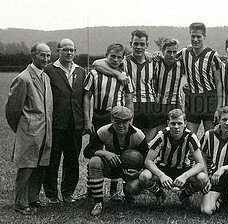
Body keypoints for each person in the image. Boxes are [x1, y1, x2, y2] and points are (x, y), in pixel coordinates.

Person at [5, 43, 53, 214]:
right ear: (33, 56)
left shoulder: (46, 77)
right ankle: (20, 203)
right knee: (26, 167)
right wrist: (22, 127)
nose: (46, 59)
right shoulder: (23, 78)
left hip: (45, 131)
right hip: (29, 132)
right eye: (42, 55)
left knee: (40, 165)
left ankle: (33, 198)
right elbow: (12, 109)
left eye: (48, 55)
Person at [83, 43, 135, 199]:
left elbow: (129, 100)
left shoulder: (125, 77)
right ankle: (91, 190)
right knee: (94, 153)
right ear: (106, 55)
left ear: (122, 59)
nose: (116, 60)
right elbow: (86, 97)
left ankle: (115, 190)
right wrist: (87, 121)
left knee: (118, 153)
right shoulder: (94, 74)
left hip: (117, 120)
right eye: (113, 56)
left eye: (119, 57)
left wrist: (129, 122)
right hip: (99, 116)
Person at [93, 30, 158, 143]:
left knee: (147, 142)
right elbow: (96, 63)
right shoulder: (123, 60)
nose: (138, 47)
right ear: (130, 44)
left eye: (142, 44)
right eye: (135, 44)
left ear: (147, 45)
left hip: (149, 105)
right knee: (129, 140)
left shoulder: (153, 61)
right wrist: (117, 74)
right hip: (130, 104)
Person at [43, 38, 86, 204]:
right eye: (65, 49)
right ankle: (52, 195)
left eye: (72, 50)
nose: (69, 53)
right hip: (55, 123)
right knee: (52, 160)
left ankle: (68, 193)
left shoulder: (81, 71)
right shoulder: (49, 70)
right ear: (58, 51)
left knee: (72, 160)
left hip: (75, 123)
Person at [83, 106, 148, 216]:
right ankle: (98, 202)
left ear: (130, 121)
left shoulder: (138, 135)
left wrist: (138, 172)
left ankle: (128, 191)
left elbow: (148, 159)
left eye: (124, 122)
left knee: (134, 188)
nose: (121, 126)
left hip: (129, 171)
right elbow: (87, 151)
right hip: (111, 166)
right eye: (117, 122)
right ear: (112, 120)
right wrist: (105, 153)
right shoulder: (103, 131)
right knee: (94, 161)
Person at [139, 109, 208, 208]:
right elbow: (148, 161)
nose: (176, 127)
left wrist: (185, 176)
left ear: (185, 123)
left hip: (183, 169)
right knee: (144, 177)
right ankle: (160, 194)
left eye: (179, 123)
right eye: (173, 123)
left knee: (202, 178)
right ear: (168, 123)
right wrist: (161, 175)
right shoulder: (161, 135)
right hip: (163, 168)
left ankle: (184, 195)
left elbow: (200, 164)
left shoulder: (191, 136)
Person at [177, 22, 223, 135]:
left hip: (209, 98)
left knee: (210, 136)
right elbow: (168, 58)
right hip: (192, 99)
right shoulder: (184, 53)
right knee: (189, 136)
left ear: (204, 36)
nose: (195, 39)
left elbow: (219, 82)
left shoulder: (213, 56)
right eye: (193, 36)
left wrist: (219, 108)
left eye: (199, 36)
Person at [153, 38, 185, 129]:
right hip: (157, 104)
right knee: (159, 133)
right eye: (169, 52)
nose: (172, 55)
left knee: (174, 132)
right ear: (162, 51)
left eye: (174, 52)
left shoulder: (181, 64)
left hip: (174, 104)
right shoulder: (156, 62)